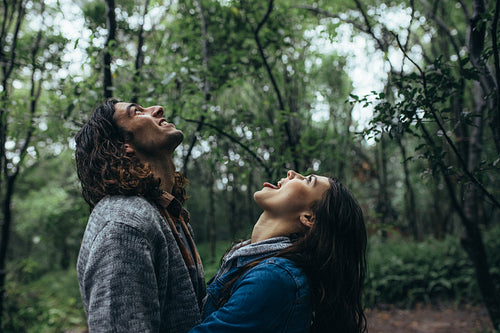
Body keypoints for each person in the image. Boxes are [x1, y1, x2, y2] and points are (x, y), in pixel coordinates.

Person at [75, 98, 205, 332]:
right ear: (123, 145)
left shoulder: (166, 211)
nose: (158, 109)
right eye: (137, 112)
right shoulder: (124, 224)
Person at [190, 170, 367, 333]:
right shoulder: (246, 260)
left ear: (309, 218)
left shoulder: (275, 279)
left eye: (307, 180)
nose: (291, 173)